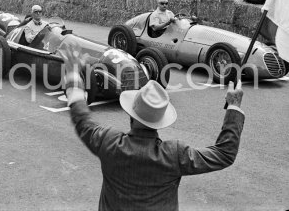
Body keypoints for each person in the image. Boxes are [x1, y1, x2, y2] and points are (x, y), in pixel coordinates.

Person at [63, 40, 245, 211]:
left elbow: (82, 119)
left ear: (130, 113)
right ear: (160, 120)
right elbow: (224, 154)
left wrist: (73, 75)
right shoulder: (174, 154)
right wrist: (234, 106)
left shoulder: (109, 142)